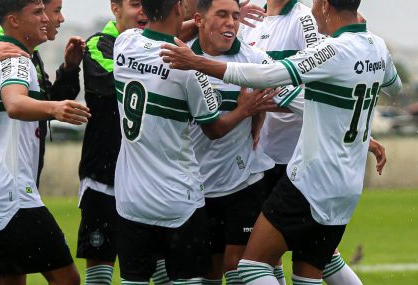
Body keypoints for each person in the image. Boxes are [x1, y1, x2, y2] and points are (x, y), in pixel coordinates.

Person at [160, 0, 402, 283]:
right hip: (347, 185)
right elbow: (394, 86)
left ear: (325, 6)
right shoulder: (377, 46)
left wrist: (197, 62)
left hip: (310, 179)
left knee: (251, 266)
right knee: (311, 272)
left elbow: (269, 76)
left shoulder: (331, 49)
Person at [113, 0, 275, 283]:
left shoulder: (124, 43)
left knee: (133, 279)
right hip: (179, 200)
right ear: (178, 7)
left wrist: (208, 23)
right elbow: (214, 129)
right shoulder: (189, 71)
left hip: (130, 199)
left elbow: (163, 35)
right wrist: (245, 110)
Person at [240, 1, 377, 284]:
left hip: (295, 160)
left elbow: (320, 84)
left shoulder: (306, 19)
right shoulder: (250, 18)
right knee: (310, 258)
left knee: (260, 260)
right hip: (260, 154)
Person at [0, 0, 91, 284]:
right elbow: (15, 105)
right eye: (38, 12)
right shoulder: (17, 59)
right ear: (13, 21)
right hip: (12, 194)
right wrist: (54, 109)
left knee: (8, 278)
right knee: (68, 279)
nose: (46, 18)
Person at [185, 0, 299, 284]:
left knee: (239, 267)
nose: (230, 23)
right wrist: (247, 111)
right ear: (199, 19)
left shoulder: (256, 59)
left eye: (235, 16)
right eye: (221, 14)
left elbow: (296, 98)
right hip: (196, 185)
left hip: (243, 182)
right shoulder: (182, 60)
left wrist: (264, 105)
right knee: (208, 272)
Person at [77, 1, 174, 284]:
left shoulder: (160, 47)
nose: (143, 11)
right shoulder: (99, 44)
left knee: (161, 269)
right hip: (104, 179)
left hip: (148, 179)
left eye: (148, 4)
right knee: (100, 272)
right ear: (115, 8)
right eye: (135, 4)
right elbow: (120, 83)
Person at [0, 0, 84, 187]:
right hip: (7, 180)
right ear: (16, 18)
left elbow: (42, 104)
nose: (60, 18)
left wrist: (69, 70)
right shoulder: (4, 51)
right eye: (54, 11)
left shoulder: (29, 53)